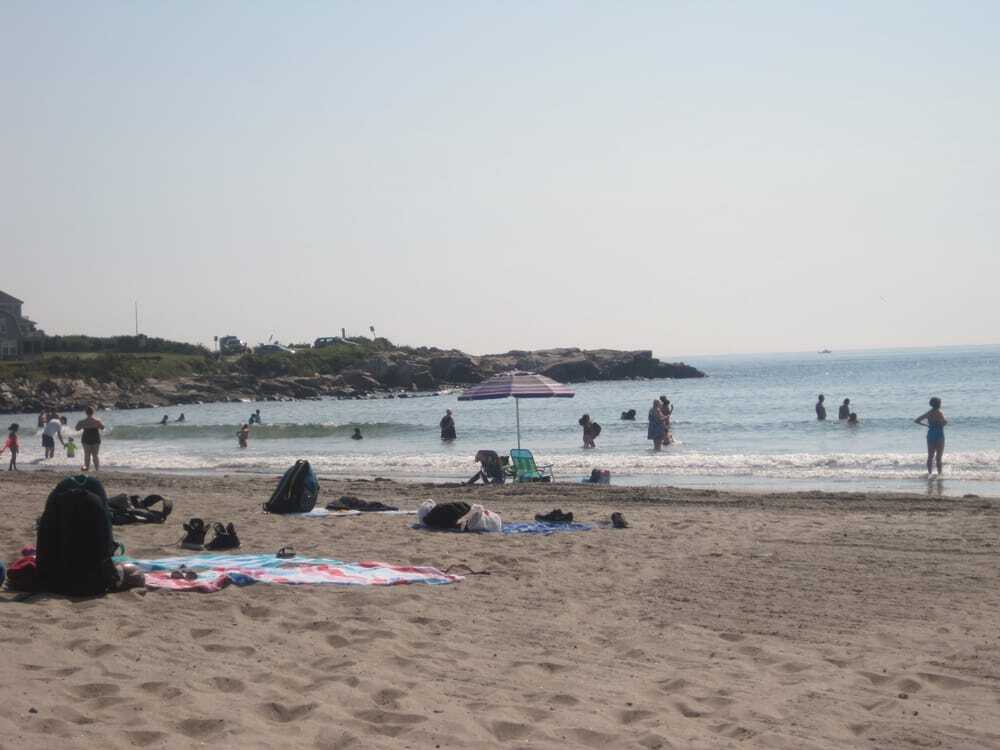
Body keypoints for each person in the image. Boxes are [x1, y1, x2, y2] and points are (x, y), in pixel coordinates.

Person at [915, 397, 947, 477]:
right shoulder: (940, 412)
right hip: (939, 434)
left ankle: (930, 473)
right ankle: (940, 474)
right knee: (939, 456)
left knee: (930, 455)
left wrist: (927, 425)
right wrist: (940, 424)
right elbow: (945, 422)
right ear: (939, 404)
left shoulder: (928, 413)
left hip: (931, 434)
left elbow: (917, 420)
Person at [75, 406, 105, 471]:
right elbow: (102, 427)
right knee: (95, 455)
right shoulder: (97, 421)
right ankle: (97, 469)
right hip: (95, 438)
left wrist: (84, 425)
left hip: (86, 438)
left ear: (86, 413)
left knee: (87, 455)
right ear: (93, 412)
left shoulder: (82, 421)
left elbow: (77, 428)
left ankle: (87, 468)